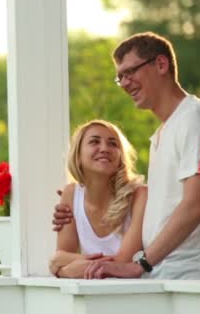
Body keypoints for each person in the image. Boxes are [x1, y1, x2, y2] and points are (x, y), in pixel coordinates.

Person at [53, 32, 200, 280]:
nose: (125, 83)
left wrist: (139, 264)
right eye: (120, 77)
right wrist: (83, 203)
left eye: (130, 72)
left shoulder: (196, 117)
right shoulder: (162, 135)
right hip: (168, 276)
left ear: (161, 65)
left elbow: (196, 204)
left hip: (197, 276)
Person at [49, 119, 147, 278]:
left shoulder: (139, 195)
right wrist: (61, 263)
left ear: (120, 156)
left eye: (113, 144)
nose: (104, 148)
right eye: (94, 141)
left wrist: (60, 262)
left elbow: (123, 263)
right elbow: (62, 262)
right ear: (78, 155)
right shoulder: (71, 194)